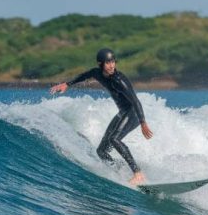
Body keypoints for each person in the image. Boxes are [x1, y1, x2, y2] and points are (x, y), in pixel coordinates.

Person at [50, 48, 154, 185]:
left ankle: (138, 173)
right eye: (108, 63)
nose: (111, 65)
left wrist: (143, 122)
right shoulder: (97, 73)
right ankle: (121, 171)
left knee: (114, 139)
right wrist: (67, 84)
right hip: (122, 113)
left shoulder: (119, 80)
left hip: (133, 113)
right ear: (101, 64)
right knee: (101, 151)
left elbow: (135, 101)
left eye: (113, 62)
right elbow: (85, 75)